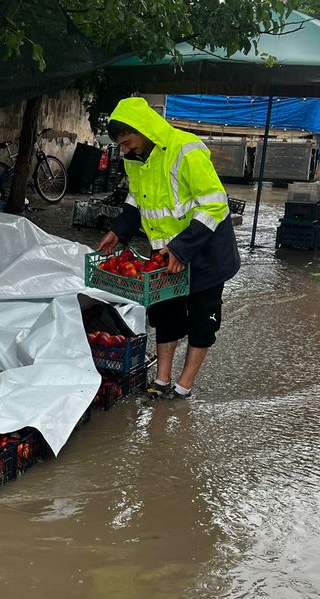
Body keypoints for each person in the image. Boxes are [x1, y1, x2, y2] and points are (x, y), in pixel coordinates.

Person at [97, 97, 239, 400]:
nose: (125, 150)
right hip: (165, 252)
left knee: (203, 320)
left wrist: (181, 248)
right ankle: (161, 381)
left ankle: (184, 385)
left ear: (144, 129)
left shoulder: (186, 149)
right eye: (121, 145)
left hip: (205, 252)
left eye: (127, 142)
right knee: (166, 314)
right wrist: (118, 230)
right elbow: (138, 199)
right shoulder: (134, 159)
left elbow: (215, 203)